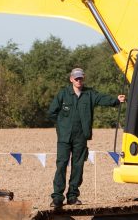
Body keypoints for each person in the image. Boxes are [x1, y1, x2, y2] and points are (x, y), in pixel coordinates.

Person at [47, 67, 125, 209]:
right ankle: (57, 197)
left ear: (83, 79)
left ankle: (72, 196)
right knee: (61, 165)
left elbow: (102, 98)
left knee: (78, 166)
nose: (78, 80)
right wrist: (61, 126)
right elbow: (52, 112)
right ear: (71, 79)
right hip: (64, 138)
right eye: (76, 78)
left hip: (81, 137)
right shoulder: (63, 94)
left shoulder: (89, 94)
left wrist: (116, 100)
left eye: (80, 78)